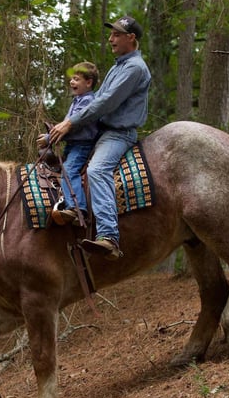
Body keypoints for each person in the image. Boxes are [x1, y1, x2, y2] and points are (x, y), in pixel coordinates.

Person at [49, 16, 151, 260]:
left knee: (97, 170)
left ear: (131, 38)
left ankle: (109, 237)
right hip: (102, 131)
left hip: (118, 133)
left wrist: (71, 123)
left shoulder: (135, 68)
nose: (111, 39)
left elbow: (106, 102)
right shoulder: (119, 65)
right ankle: (73, 211)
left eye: (116, 35)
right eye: (111, 34)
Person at [37, 61, 100, 226]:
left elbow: (73, 127)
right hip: (73, 145)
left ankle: (77, 207)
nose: (72, 82)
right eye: (72, 79)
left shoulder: (87, 102)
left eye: (77, 79)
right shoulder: (78, 100)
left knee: (69, 170)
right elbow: (65, 125)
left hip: (82, 146)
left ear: (88, 82)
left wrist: (50, 139)